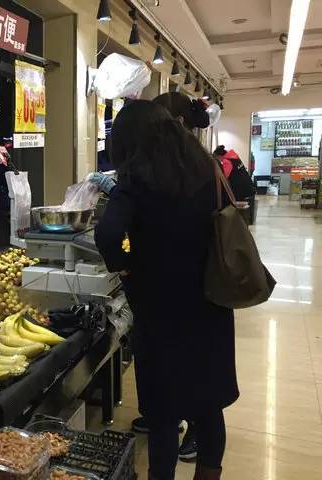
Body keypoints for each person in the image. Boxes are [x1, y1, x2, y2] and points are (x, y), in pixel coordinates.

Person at [95, 100, 238, 480]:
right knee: (208, 408)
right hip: (210, 303)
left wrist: (127, 268)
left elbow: (108, 235)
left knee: (162, 415)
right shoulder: (206, 167)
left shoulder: (136, 179)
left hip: (159, 312)